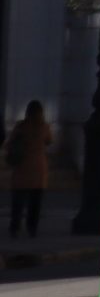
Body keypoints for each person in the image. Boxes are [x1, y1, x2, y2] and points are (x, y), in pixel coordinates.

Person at [5, 101, 49, 237]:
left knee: (18, 202)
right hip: (38, 170)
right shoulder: (44, 127)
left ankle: (15, 227)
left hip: (22, 170)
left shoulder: (21, 126)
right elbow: (49, 140)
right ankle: (32, 228)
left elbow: (9, 143)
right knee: (35, 204)